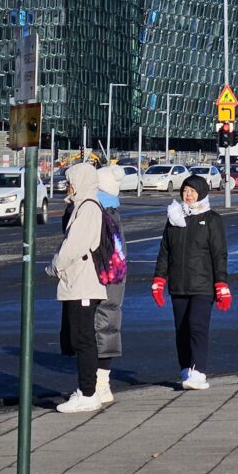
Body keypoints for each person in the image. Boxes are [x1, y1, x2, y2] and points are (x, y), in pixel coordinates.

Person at [151, 174, 230, 390]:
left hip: (203, 285)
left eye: (192, 191)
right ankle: (186, 369)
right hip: (178, 284)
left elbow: (219, 254)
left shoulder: (212, 219)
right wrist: (159, 279)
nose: (188, 195)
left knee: (197, 325)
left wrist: (221, 284)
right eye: (185, 190)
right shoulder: (174, 217)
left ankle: (198, 371)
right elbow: (165, 252)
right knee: (182, 329)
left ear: (201, 193)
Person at [48, 162, 106, 413]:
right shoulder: (81, 205)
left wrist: (55, 265)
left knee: (83, 338)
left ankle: (89, 392)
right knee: (79, 337)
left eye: (70, 181)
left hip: (83, 282)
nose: (67, 186)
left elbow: (74, 245)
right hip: (78, 281)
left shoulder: (88, 207)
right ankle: (86, 390)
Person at [94, 165, 127, 404]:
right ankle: (101, 383)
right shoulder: (113, 212)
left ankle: (99, 385)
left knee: (100, 327)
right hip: (114, 281)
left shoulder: (100, 213)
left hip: (102, 281)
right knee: (106, 326)